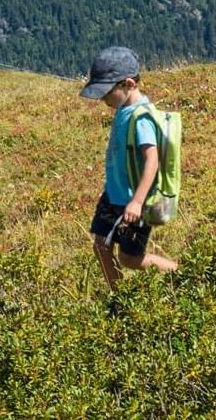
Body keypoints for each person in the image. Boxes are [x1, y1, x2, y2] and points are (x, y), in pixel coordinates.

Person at [80, 46, 178, 288]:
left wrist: (136, 201)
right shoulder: (123, 109)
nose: (102, 99)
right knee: (101, 246)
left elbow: (152, 161)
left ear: (128, 84)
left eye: (106, 92)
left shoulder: (141, 118)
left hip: (132, 202)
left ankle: (180, 273)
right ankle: (118, 297)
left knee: (130, 258)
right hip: (112, 195)